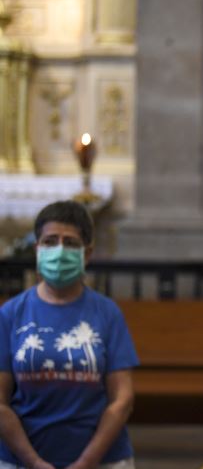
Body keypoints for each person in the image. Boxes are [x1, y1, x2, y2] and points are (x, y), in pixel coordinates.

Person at [0, 201, 139, 469]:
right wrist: (34, 462)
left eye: (70, 243)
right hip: (20, 460)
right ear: (37, 249)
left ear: (87, 254)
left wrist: (86, 463)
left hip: (103, 460)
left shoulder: (107, 313)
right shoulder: (10, 314)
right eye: (50, 241)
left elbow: (122, 399)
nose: (59, 251)